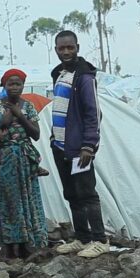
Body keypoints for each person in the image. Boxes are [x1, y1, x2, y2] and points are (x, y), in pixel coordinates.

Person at [50, 31, 109, 259]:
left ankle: (100, 240)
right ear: (56, 50)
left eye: (70, 47)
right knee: (72, 194)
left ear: (77, 47)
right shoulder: (59, 74)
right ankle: (82, 238)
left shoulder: (84, 77)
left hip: (78, 149)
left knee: (87, 193)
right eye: (61, 48)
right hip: (61, 147)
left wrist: (88, 146)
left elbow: (93, 112)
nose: (66, 52)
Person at [0, 69, 48, 259]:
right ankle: (11, 245)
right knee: (9, 200)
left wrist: (20, 116)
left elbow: (36, 134)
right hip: (5, 157)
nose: (15, 87)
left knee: (29, 198)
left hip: (25, 158)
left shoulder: (28, 106)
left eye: (18, 84)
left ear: (23, 85)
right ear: (4, 85)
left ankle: (30, 243)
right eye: (10, 84)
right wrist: (5, 122)